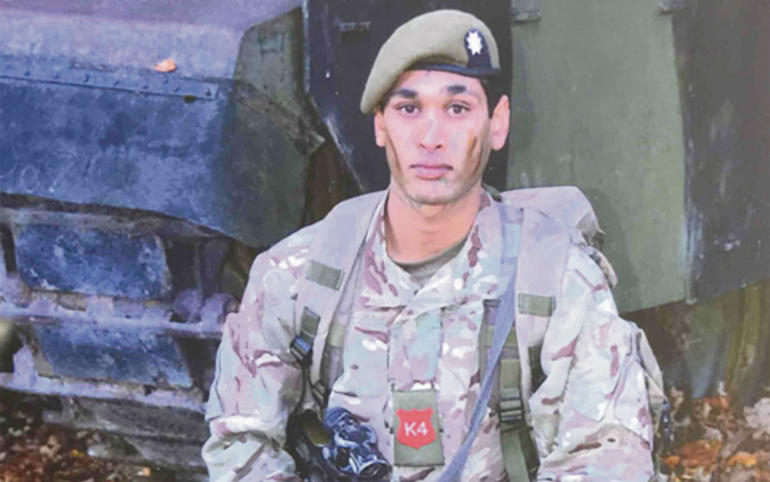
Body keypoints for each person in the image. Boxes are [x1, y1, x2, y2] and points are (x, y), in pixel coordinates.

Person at [202, 9, 664, 481]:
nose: (431, 137)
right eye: (409, 109)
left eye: (457, 108)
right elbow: (240, 443)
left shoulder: (557, 280)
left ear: (497, 123)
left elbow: (606, 458)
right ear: (380, 125)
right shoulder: (298, 276)